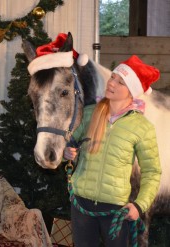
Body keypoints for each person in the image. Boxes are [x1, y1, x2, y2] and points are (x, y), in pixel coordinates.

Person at [63, 55, 161, 246]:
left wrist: (140, 206)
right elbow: (70, 144)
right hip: (81, 204)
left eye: (120, 82)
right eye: (113, 77)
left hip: (116, 209)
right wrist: (67, 153)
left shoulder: (142, 127)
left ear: (131, 91)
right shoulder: (90, 113)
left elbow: (152, 171)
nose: (112, 83)